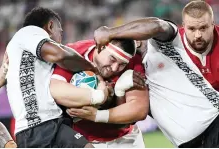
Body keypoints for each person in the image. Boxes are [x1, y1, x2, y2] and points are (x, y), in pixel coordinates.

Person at [93, 1, 219, 147]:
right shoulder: (133, 76)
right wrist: (120, 90)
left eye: (135, 35)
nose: (135, 41)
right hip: (189, 144)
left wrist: (110, 32)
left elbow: (157, 26)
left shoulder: (165, 45)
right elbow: (128, 120)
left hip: (214, 124)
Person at [5, 7, 94, 148]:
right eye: (60, 32)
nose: (61, 39)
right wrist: (93, 68)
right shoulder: (28, 33)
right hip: (34, 129)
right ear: (51, 26)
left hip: (52, 122)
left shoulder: (27, 52)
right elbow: (60, 54)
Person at [50, 39, 149, 148]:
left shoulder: (133, 59)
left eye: (122, 64)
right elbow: (55, 89)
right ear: (100, 47)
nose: (115, 68)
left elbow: (139, 110)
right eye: (112, 59)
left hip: (126, 139)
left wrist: (96, 115)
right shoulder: (75, 52)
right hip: (84, 141)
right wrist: (100, 96)